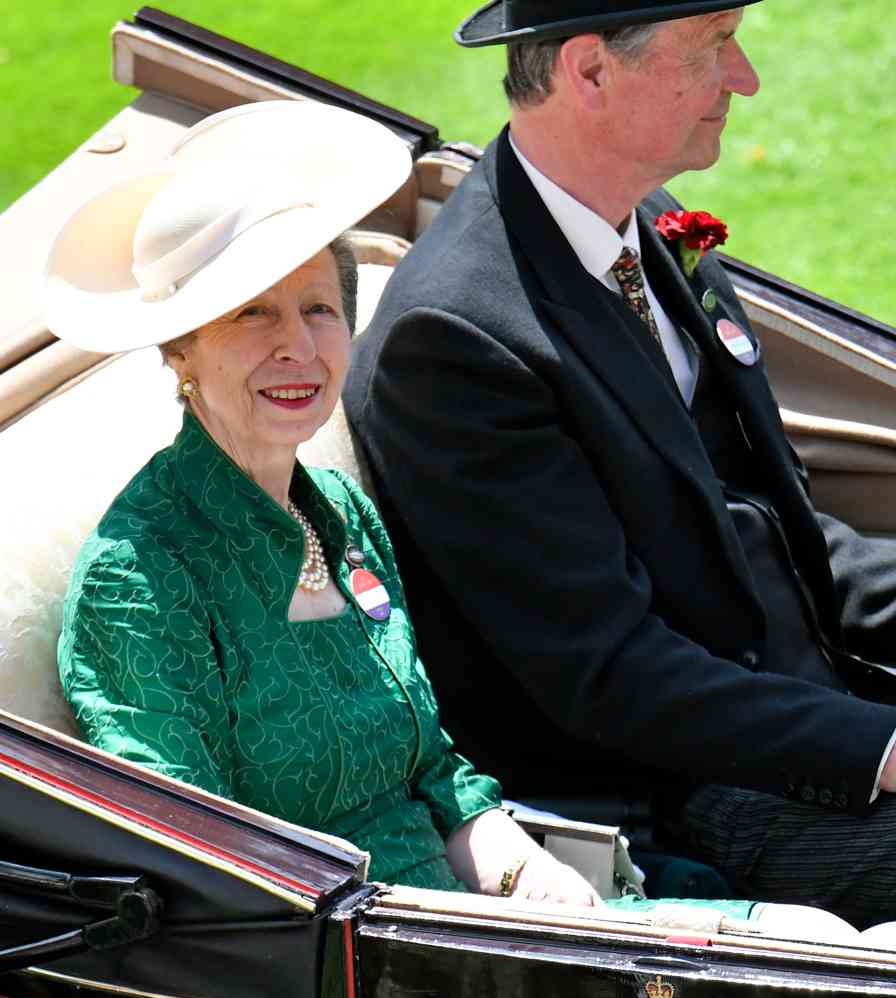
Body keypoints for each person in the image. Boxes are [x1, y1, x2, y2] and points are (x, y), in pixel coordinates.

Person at [343, 0, 896, 929]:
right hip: (678, 798)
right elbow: (610, 675)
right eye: (713, 42)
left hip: (810, 720)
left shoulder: (652, 228)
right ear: (587, 69)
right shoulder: (458, 343)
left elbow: (781, 536)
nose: (748, 77)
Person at [45, 100, 738, 912]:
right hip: (351, 975)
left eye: (318, 309)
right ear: (180, 349)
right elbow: (205, 872)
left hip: (481, 913)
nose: (297, 347)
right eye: (252, 313)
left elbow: (434, 772)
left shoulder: (342, 512)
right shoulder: (140, 576)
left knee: (824, 939)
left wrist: (526, 875)